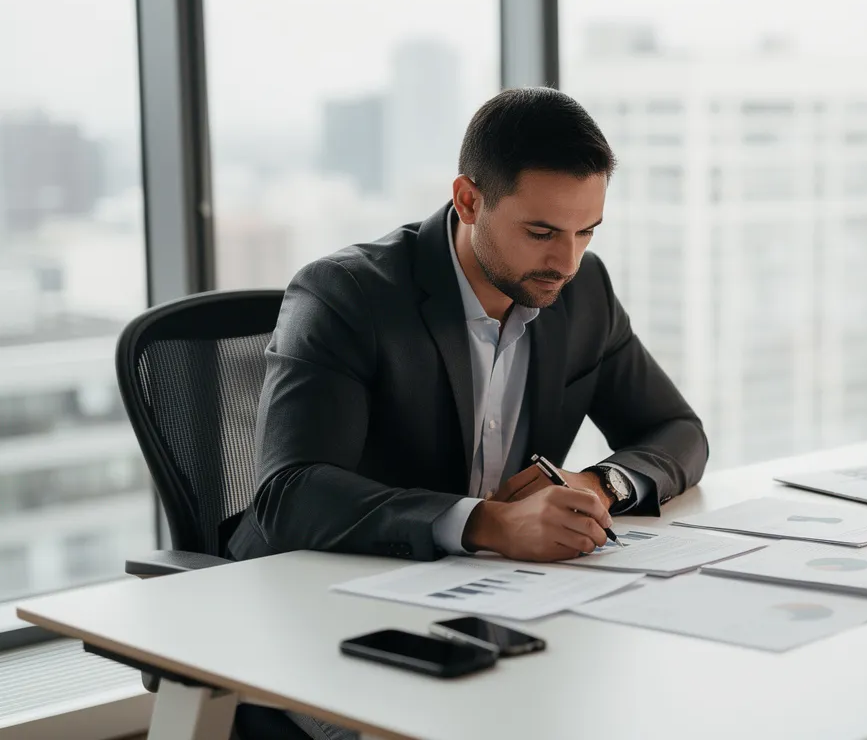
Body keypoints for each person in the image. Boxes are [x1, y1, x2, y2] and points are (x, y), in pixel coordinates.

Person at [227, 87, 708, 563]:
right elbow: (290, 494)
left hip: (485, 589)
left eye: (585, 232)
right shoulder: (345, 294)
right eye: (541, 233)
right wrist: (488, 523)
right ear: (469, 201)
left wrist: (602, 484)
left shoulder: (584, 293)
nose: (567, 262)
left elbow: (678, 430)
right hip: (312, 587)